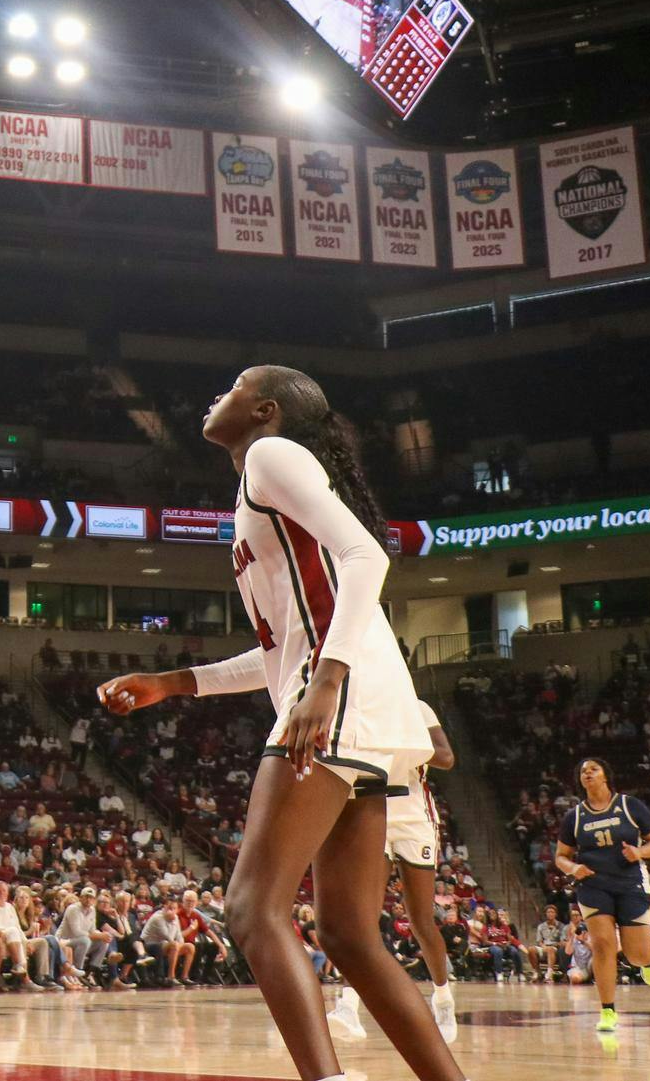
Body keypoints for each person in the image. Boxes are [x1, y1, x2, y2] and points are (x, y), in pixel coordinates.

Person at [99, 366, 458, 1081]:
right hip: (367, 700)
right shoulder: (266, 479)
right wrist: (175, 683)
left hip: (343, 690)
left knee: (250, 905)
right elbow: (276, 648)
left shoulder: (271, 454)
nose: (213, 395)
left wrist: (327, 680)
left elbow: (366, 557)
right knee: (350, 935)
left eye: (229, 385)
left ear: (263, 410)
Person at [329, 700, 460, 1043]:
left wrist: (404, 742)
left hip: (414, 816)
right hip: (372, 811)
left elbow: (446, 757)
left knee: (420, 919)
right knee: (364, 918)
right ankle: (348, 1005)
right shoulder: (357, 704)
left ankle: (443, 997)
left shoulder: (416, 708)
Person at [555, 757, 650, 1032]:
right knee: (602, 944)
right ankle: (607, 1011)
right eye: (583, 771)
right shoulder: (575, 816)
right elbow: (560, 857)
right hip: (593, 885)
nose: (588, 773)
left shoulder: (630, 805)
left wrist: (639, 852)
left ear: (605, 775)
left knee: (636, 954)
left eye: (594, 769)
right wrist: (573, 867)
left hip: (630, 882)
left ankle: (647, 962)